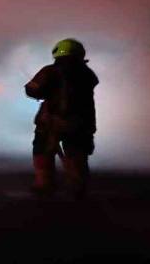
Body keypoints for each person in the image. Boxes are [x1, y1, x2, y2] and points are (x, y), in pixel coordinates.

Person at [24, 38, 98, 198]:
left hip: (51, 122)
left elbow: (32, 90)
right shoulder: (88, 74)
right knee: (77, 154)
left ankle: (44, 184)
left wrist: (39, 91)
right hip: (80, 123)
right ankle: (77, 186)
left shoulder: (50, 71)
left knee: (42, 150)